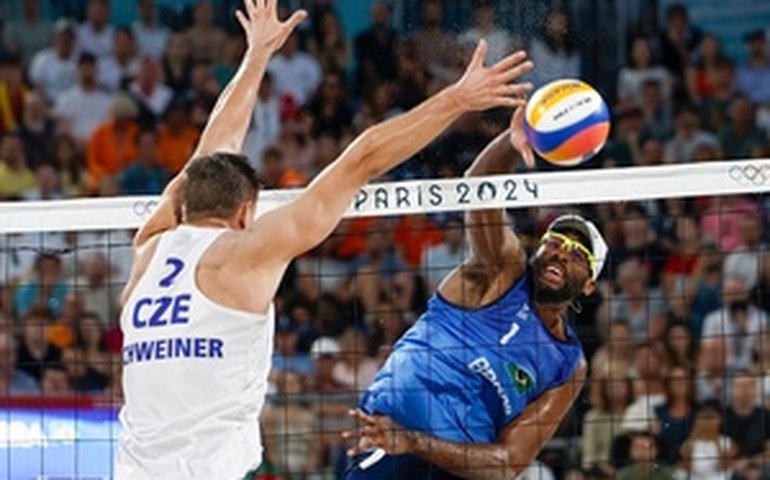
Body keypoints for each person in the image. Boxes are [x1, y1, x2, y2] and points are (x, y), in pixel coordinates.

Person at [115, 0, 533, 479]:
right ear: (246, 213)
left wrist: (256, 57)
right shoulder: (241, 255)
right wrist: (456, 100)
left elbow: (208, 158)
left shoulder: (149, 246)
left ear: (186, 201)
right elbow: (363, 158)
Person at [343, 107, 608, 479]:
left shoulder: (568, 365)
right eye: (556, 241)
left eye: (578, 254)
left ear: (589, 284)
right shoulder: (502, 270)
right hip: (387, 442)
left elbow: (507, 464)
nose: (562, 252)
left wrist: (416, 441)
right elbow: (480, 183)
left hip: (455, 467)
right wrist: (512, 144)